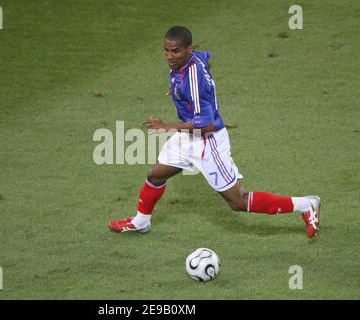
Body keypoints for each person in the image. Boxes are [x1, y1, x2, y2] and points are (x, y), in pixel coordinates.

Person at [108, 26, 321, 238]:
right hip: (188, 137)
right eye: (166, 50)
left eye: (176, 51)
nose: (170, 57)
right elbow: (207, 59)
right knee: (155, 175)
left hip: (207, 142)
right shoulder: (193, 59)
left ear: (188, 49)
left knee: (238, 201)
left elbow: (206, 124)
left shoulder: (193, 80)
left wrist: (167, 126)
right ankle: (141, 221)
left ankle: (306, 204)